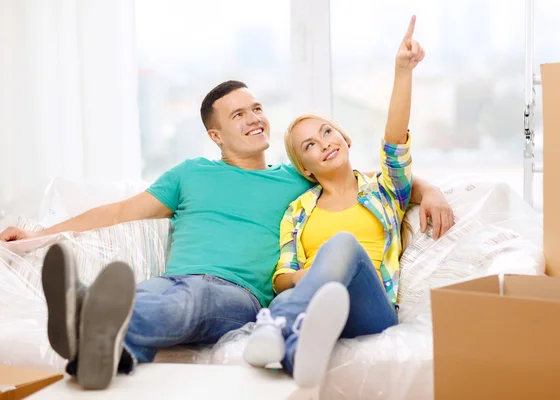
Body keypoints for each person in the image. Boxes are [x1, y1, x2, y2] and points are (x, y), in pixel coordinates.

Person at [1, 78, 452, 389]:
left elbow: (369, 178)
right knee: (161, 295)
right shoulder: (189, 174)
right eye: (239, 114)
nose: (254, 117)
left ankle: (93, 318)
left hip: (235, 295)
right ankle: (103, 347)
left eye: (257, 108)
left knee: (191, 299)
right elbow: (120, 211)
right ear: (215, 134)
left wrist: (429, 191)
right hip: (172, 281)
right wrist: (40, 233)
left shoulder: (298, 182)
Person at [243, 16, 429, 388]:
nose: (323, 143)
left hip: (368, 307)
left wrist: (402, 70)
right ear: (307, 168)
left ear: (344, 138)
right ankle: (296, 351)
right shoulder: (298, 210)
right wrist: (304, 277)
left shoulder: (383, 191)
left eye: (327, 132)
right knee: (288, 299)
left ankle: (280, 324)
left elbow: (395, 144)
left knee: (343, 243)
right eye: (309, 145)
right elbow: (281, 277)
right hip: (315, 303)